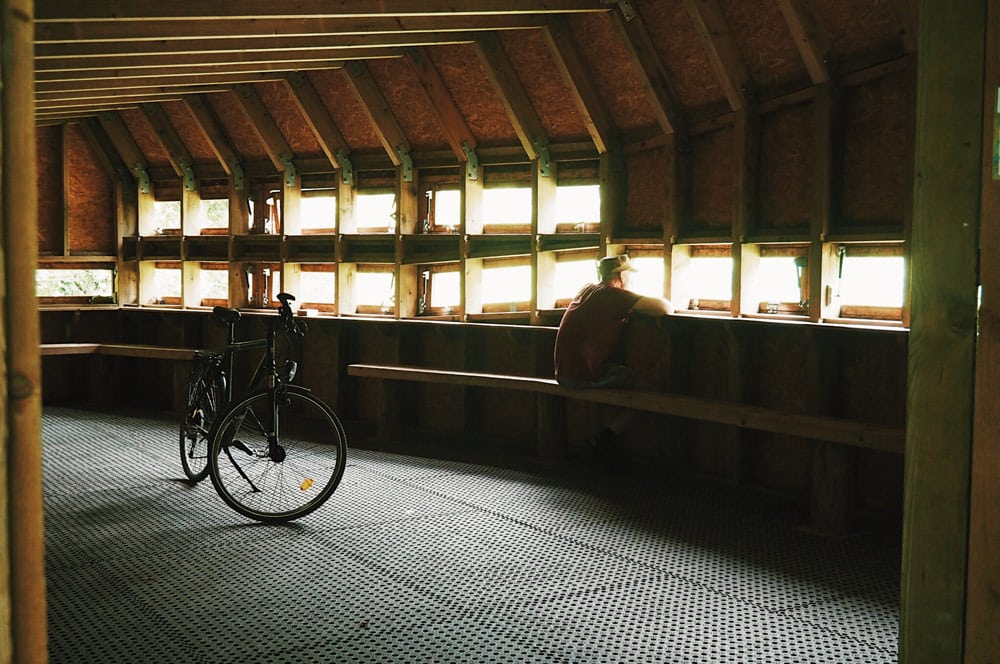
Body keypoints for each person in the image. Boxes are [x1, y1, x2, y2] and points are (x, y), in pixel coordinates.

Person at [554, 254, 674, 466]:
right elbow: (665, 308)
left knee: (625, 380)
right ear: (621, 275)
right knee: (652, 390)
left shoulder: (588, 289)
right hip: (583, 374)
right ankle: (606, 438)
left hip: (564, 371)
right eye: (630, 275)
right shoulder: (613, 296)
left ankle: (607, 440)